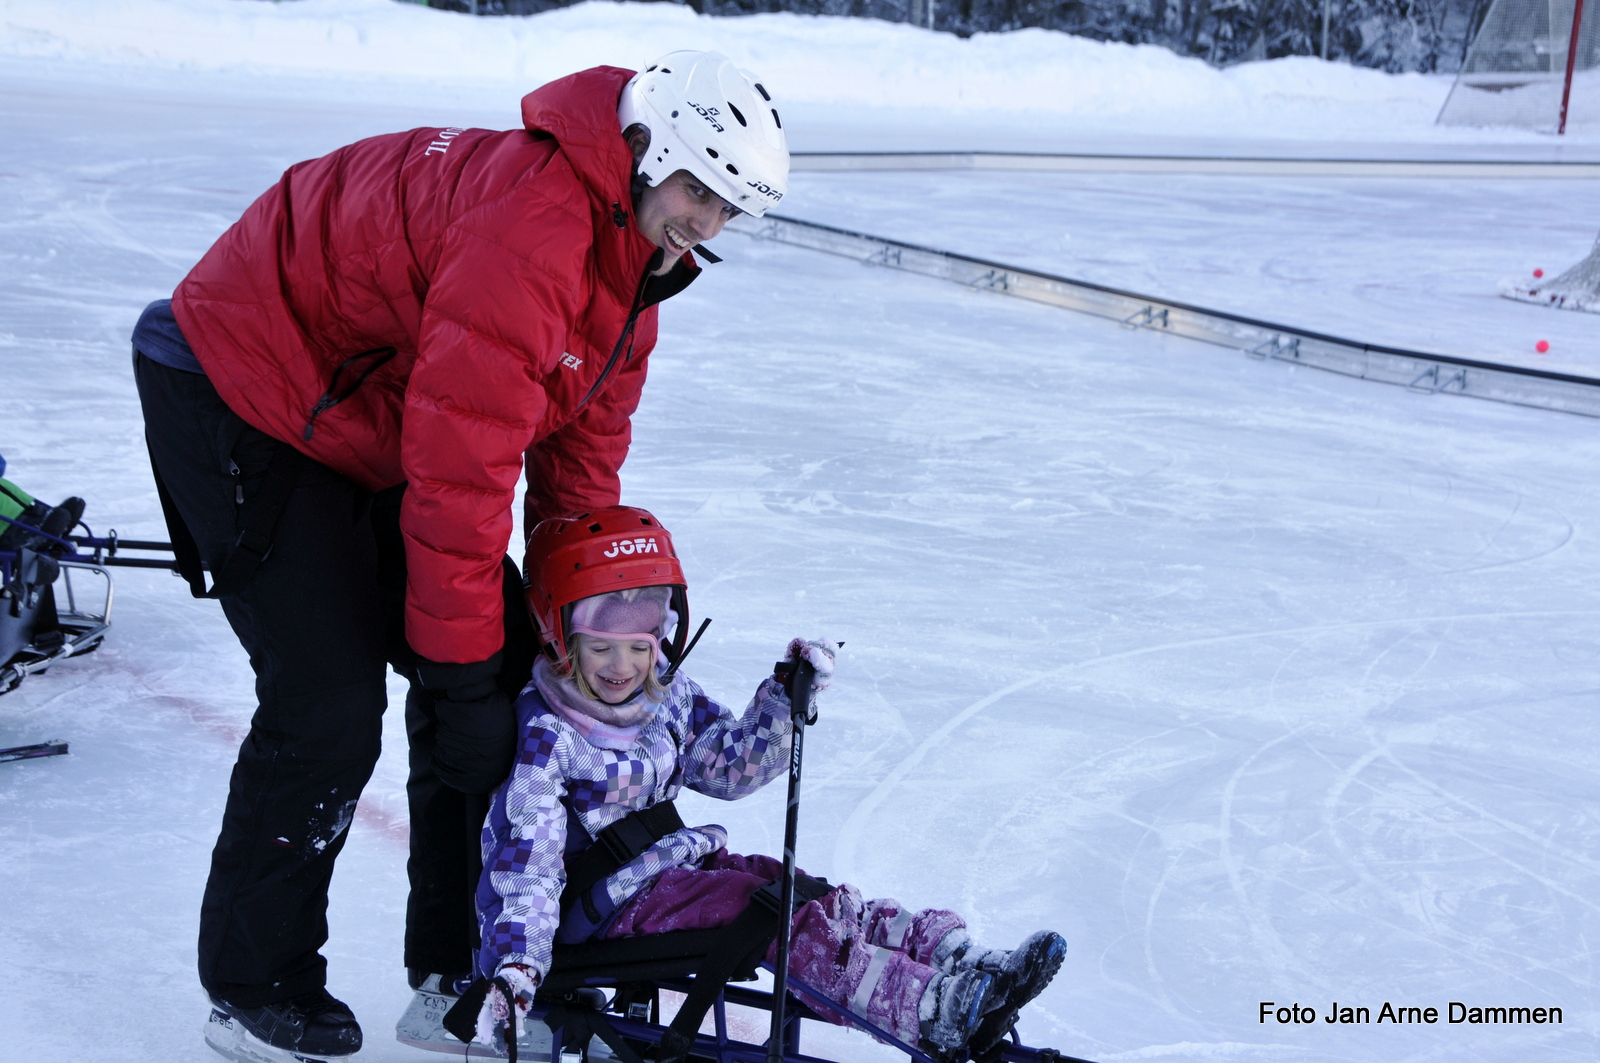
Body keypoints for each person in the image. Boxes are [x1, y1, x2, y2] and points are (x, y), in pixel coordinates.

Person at [128, 51, 790, 1063]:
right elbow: (461, 472)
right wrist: (461, 675)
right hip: (241, 382)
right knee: (329, 700)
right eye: (697, 190)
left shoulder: (634, 272)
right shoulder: (532, 231)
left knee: (505, 671)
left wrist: (579, 625)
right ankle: (253, 986)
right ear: (647, 152)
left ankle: (460, 972)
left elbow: (576, 474)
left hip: (369, 410)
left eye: (725, 208)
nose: (705, 224)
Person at [463, 506, 1065, 1063]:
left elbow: (729, 766)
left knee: (809, 894)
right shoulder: (547, 737)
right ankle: (931, 1007)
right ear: (559, 636)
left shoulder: (664, 697)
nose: (622, 668)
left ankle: (963, 965)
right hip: (610, 905)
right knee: (773, 921)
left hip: (673, 869)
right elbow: (528, 866)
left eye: (640, 648)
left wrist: (784, 702)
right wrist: (516, 965)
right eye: (601, 648)